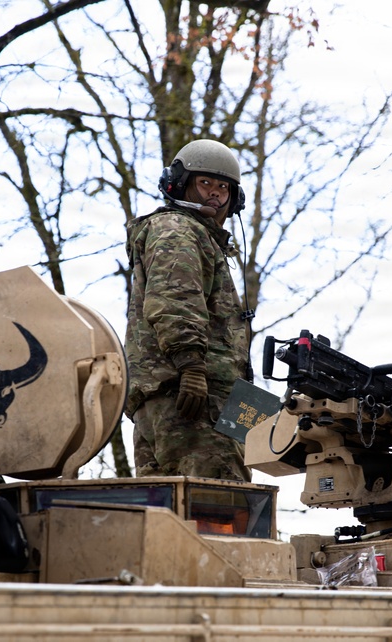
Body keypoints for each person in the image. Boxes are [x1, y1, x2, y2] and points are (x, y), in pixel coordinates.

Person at [124, 139, 252, 482]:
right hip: (192, 399)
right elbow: (174, 301)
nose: (215, 194)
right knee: (220, 504)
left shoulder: (199, 237)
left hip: (186, 398)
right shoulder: (178, 230)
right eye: (205, 183)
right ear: (180, 184)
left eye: (223, 187)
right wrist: (192, 367)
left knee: (170, 513)